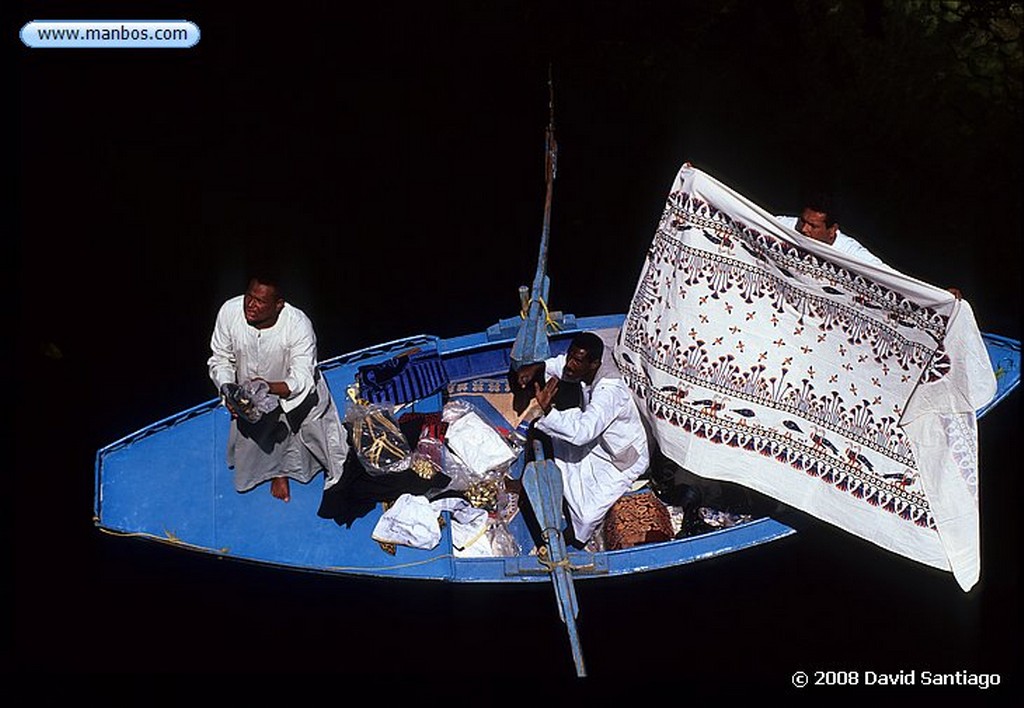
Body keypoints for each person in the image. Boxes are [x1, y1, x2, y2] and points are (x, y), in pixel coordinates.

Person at [208, 273, 349, 501]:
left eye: (260, 302)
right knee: (257, 433)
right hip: (249, 393)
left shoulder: (298, 324)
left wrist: (268, 387)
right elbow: (221, 357)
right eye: (249, 296)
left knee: (293, 432)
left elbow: (302, 377)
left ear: (278, 305)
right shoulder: (229, 311)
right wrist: (228, 388)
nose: (250, 306)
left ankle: (282, 472)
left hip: (287, 390)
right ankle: (270, 471)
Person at [511, 331, 650, 547]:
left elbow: (583, 433)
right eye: (570, 356)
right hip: (597, 440)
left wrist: (549, 410)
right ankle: (529, 483)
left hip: (620, 459)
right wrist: (539, 367)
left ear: (594, 364)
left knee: (586, 516)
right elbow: (563, 367)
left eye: (577, 361)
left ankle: (573, 539)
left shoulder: (609, 391)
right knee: (544, 432)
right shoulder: (586, 367)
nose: (570, 364)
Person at [776, 193, 962, 298]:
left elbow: (890, 277)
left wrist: (939, 295)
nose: (804, 229)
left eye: (813, 226)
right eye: (803, 221)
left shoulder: (849, 251)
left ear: (832, 230)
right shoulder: (786, 226)